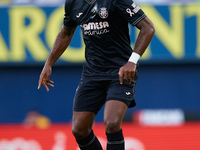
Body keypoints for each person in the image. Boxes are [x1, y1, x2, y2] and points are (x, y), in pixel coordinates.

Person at [38, 0, 155, 149]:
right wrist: (48, 63)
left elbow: (148, 28)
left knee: (112, 123)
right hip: (92, 73)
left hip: (120, 71)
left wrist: (132, 61)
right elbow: (66, 33)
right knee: (79, 129)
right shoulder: (73, 3)